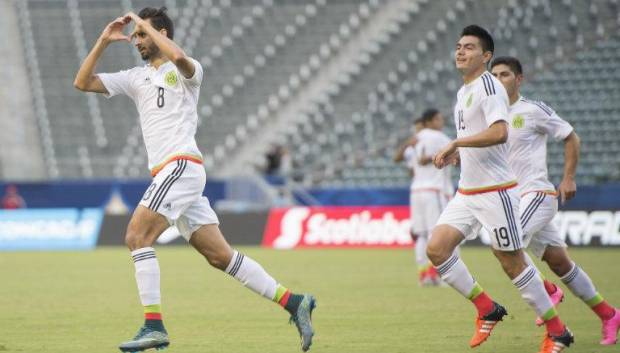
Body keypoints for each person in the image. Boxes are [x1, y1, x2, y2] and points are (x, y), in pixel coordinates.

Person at [74, 7, 315, 352]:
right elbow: (82, 82)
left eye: (144, 34)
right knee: (221, 257)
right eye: (137, 35)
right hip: (171, 175)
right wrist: (102, 40)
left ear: (163, 34)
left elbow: (179, 56)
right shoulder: (136, 77)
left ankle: (153, 325)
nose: (138, 40)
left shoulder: (187, 71)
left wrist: (145, 25)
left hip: (181, 166)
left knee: (136, 235)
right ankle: (295, 302)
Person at [427, 25, 573, 352]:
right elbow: (482, 140)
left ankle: (558, 330)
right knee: (436, 249)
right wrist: (459, 154)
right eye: (458, 46)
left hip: (496, 192)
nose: (460, 51)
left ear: (486, 55)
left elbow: (500, 133)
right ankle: (487, 308)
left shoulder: (489, 86)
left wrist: (457, 141)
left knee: (510, 260)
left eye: (469, 47)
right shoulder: (464, 91)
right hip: (467, 192)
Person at [491, 56, 619, 345]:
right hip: (513, 200)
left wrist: (568, 178)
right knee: (561, 263)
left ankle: (548, 293)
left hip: (536, 194)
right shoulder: (491, 119)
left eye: (505, 75)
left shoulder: (532, 110)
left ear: (519, 79)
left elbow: (571, 137)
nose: (499, 80)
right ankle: (609, 314)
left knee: (506, 246)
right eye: (494, 76)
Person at [395, 110, 453, 286]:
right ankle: (436, 274)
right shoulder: (439, 137)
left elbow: (400, 159)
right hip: (434, 189)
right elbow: (426, 159)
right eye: (438, 118)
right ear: (430, 121)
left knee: (421, 235)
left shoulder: (416, 139)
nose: (441, 121)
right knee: (437, 234)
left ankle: (424, 275)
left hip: (417, 190)